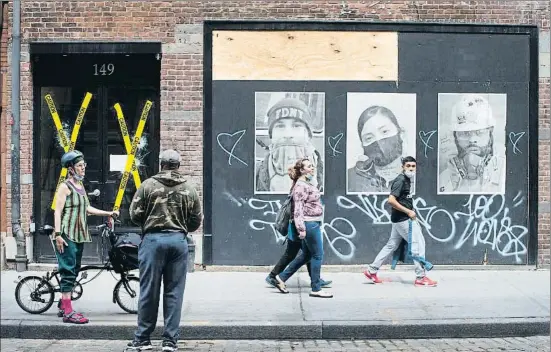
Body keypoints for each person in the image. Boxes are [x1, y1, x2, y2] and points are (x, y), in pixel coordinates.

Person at [125, 149, 202, 352]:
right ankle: (170, 341)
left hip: (153, 241)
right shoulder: (189, 188)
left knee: (149, 291)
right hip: (178, 242)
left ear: (161, 164)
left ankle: (143, 339)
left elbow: (134, 214)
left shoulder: (147, 185)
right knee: (174, 292)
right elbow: (196, 219)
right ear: (178, 165)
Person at [53, 150, 119, 324]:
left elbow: (87, 209)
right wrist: (58, 235)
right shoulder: (64, 187)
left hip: (79, 234)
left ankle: (63, 304)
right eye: (80, 166)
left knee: (74, 269)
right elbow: (58, 212)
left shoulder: (80, 187)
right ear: (71, 169)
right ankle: (68, 312)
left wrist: (108, 213)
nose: (83, 168)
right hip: (66, 234)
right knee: (68, 271)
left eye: (84, 165)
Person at [363, 156, 437, 287]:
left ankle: (371, 270)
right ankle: (420, 277)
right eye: (408, 166)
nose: (411, 168)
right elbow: (391, 200)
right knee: (418, 246)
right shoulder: (401, 180)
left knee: (391, 245)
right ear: (402, 167)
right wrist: (408, 212)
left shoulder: (406, 180)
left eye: (413, 166)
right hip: (403, 219)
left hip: (398, 219)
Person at [272, 158, 333, 298]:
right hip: (309, 223)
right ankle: (316, 288)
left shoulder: (307, 183)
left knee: (307, 255)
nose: (312, 168)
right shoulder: (300, 186)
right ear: (302, 170)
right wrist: (301, 229)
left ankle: (281, 278)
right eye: (309, 166)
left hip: (313, 222)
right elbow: (297, 210)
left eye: (312, 165)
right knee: (318, 255)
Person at [438, 94, 505, 194]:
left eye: (480, 132)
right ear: (455, 137)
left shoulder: (505, 172)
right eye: (464, 133)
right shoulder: (444, 179)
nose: (472, 139)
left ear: (490, 134)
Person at [256, 97, 324, 193]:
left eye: (296, 126)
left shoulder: (328, 174)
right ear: (272, 135)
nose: (288, 134)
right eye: (280, 126)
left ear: (308, 135)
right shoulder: (254, 173)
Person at [347, 105, 407, 193]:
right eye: (369, 138)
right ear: (362, 146)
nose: (378, 141)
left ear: (401, 134)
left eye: (385, 131)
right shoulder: (350, 178)